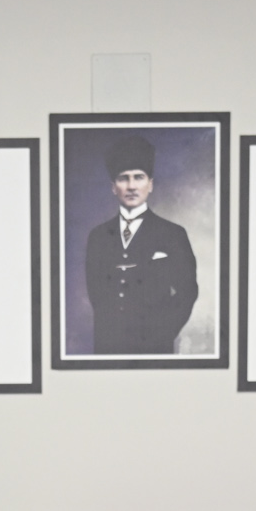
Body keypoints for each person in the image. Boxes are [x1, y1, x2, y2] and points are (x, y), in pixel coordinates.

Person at [82, 134, 198, 356]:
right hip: (109, 347)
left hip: (155, 347)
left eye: (139, 177)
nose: (132, 186)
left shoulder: (173, 234)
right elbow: (96, 294)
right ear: (113, 187)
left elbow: (188, 292)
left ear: (150, 184)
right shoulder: (97, 237)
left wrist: (162, 333)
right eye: (123, 178)